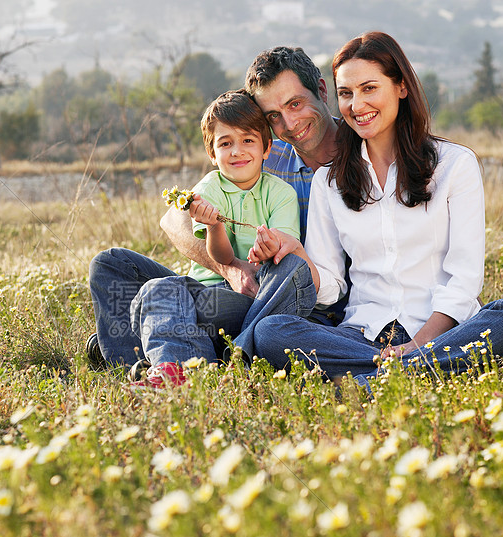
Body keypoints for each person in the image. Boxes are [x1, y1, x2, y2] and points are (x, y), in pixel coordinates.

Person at [248, 31, 503, 391]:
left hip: (440, 332)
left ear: (401, 87)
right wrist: (296, 252)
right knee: (270, 332)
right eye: (346, 94)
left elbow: (463, 279)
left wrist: (416, 346)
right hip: (361, 336)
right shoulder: (330, 180)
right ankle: (414, 374)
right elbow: (331, 285)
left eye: (369, 88)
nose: (356, 105)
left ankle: (378, 380)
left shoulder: (455, 165)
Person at [87, 46, 341, 376]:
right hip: (221, 288)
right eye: (273, 116)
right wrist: (230, 267)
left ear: (322, 91)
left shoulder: (364, 161)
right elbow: (175, 219)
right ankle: (140, 365)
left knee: (177, 301)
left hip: (278, 300)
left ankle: (206, 351)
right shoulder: (259, 150)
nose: (289, 124)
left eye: (295, 104)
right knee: (112, 264)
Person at [127, 89, 300, 387]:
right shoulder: (208, 190)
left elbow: (285, 254)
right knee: (151, 285)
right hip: (206, 287)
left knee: (164, 298)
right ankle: (174, 368)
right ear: (212, 153)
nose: (237, 151)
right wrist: (214, 227)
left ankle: (176, 368)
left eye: (248, 140)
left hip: (249, 300)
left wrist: (269, 249)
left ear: (266, 147)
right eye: (225, 143)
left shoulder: (281, 194)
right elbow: (220, 259)